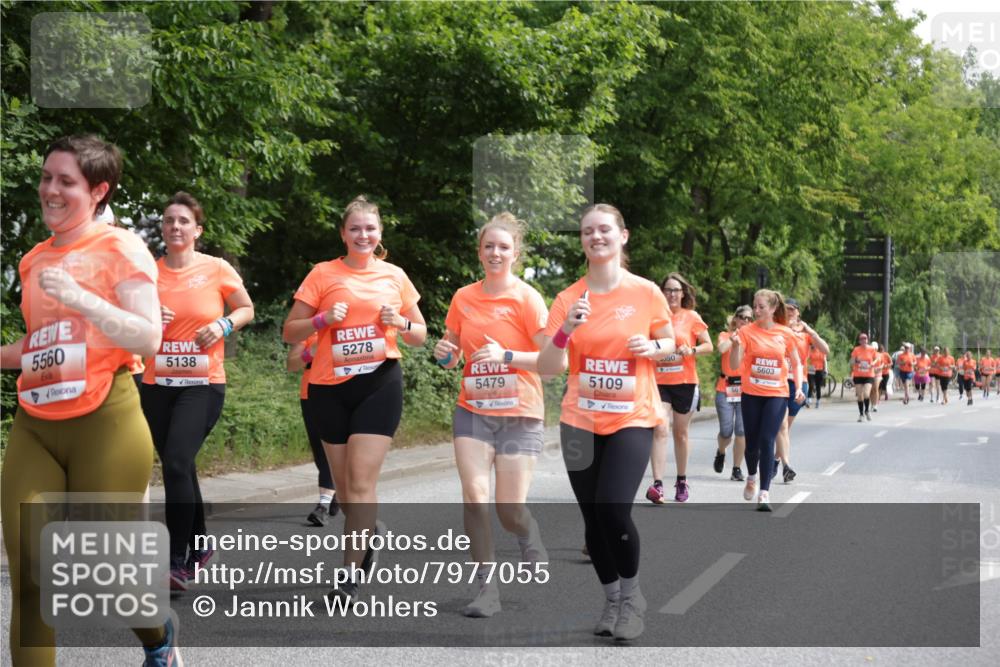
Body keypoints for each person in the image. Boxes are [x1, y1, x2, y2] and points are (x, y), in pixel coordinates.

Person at [0, 135, 180, 665]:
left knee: (109, 571)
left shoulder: (120, 247)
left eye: (66, 182)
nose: (50, 190)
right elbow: (43, 345)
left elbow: (148, 338)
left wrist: (79, 296)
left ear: (98, 191)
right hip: (35, 421)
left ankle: (159, 637)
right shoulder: (34, 260)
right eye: (47, 177)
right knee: (31, 578)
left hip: (107, 419)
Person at [537, 203, 675, 641]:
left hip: (631, 416)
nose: (595, 237)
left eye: (604, 230)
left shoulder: (646, 292)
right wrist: (566, 331)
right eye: (587, 232)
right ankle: (612, 597)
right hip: (579, 420)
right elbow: (546, 366)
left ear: (623, 236)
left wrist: (653, 348)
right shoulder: (566, 298)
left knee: (614, 508)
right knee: (592, 518)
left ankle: (633, 598)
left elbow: (670, 341)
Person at [283, 195, 427, 605]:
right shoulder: (323, 274)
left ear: (380, 233)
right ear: (343, 234)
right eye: (355, 228)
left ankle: (347, 577)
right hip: (329, 388)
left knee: (362, 484)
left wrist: (399, 321)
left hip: (378, 384)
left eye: (370, 228)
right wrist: (321, 320)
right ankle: (369, 533)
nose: (363, 235)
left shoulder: (395, 276)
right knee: (346, 494)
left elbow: (419, 334)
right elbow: (290, 333)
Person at [432, 212, 549, 618]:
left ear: (515, 253)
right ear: (479, 251)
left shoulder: (528, 298)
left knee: (509, 509)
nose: (495, 253)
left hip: (520, 413)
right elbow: (451, 349)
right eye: (488, 246)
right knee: (475, 498)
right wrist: (445, 353)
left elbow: (553, 362)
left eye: (503, 246)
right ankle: (487, 589)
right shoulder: (464, 297)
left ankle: (527, 530)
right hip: (473, 410)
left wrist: (507, 356)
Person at [140, 191, 255, 591]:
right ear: (163, 227)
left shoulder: (217, 268)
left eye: (183, 221)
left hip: (203, 384)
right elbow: (128, 321)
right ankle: (202, 544)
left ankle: (178, 557)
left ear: (197, 230)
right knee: (181, 465)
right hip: (155, 384)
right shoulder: (148, 272)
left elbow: (246, 309)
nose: (175, 226)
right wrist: (148, 314)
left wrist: (224, 325)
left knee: (174, 463)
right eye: (169, 220)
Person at [728, 289, 805, 511]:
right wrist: (735, 345)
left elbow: (796, 362)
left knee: (767, 439)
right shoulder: (746, 331)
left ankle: (764, 493)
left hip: (777, 394)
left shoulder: (785, 333)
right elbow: (734, 365)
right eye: (755, 305)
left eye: (761, 306)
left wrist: (798, 387)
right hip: (751, 394)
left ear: (772, 309)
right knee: (751, 445)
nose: (756, 310)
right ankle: (751, 475)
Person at [646, 272, 711, 503]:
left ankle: (682, 480)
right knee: (660, 427)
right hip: (659, 381)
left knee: (680, 433)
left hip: (685, 382)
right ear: (662, 293)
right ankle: (657, 485)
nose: (672, 294)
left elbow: (708, 345)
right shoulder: (654, 317)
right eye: (668, 290)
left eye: (676, 290)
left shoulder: (691, 316)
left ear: (683, 293)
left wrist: (691, 350)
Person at [772, 298, 829, 483]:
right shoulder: (778, 328)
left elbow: (825, 349)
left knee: (786, 427)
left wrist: (810, 331)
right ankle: (786, 466)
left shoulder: (805, 334)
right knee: (782, 426)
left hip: (799, 383)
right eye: (786, 309)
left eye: (792, 309)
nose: (789, 312)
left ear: (798, 312)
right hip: (780, 381)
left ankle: (775, 459)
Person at [287, 332, 340, 526]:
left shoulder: (355, 320)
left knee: (335, 448)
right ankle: (335, 491)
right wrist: (312, 352)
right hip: (312, 394)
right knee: (321, 451)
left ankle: (323, 506)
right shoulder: (309, 327)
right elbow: (291, 364)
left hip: (345, 392)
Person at [712, 305, 752, 482]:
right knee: (726, 431)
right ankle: (721, 452)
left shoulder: (752, 339)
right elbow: (721, 349)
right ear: (735, 319)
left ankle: (736, 468)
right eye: (742, 317)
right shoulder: (725, 335)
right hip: (725, 388)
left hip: (745, 389)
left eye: (749, 318)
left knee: (742, 431)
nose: (745, 321)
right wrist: (735, 337)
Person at [850, 333, 878, 421]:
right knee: (859, 395)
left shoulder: (871, 349)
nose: (864, 340)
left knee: (866, 394)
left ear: (867, 340)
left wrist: (872, 364)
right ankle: (861, 414)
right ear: (859, 341)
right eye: (862, 339)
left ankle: (867, 411)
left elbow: (876, 358)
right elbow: (851, 361)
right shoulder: (856, 350)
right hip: (858, 375)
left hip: (869, 375)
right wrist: (856, 361)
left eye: (865, 339)